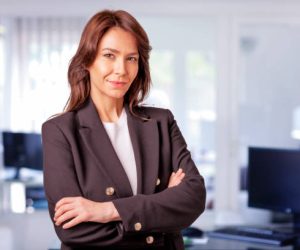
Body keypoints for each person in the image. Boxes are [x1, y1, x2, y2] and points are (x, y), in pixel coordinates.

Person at [42, 9, 206, 250]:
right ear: (88, 60)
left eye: (131, 58)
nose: (121, 70)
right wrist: (160, 210)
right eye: (109, 55)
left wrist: (106, 210)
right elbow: (72, 231)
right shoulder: (60, 131)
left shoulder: (161, 122)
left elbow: (194, 197)